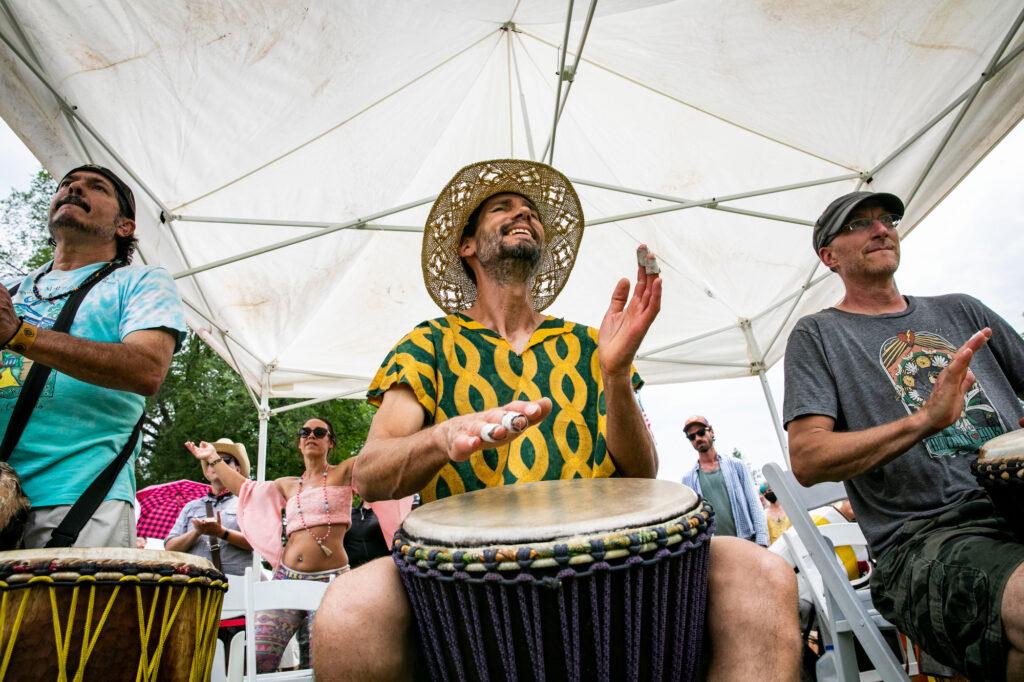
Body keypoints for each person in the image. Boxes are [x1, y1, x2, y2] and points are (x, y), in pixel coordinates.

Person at [313, 159, 800, 681]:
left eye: (530, 212)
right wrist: (441, 435)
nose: (522, 213)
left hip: (615, 570)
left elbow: (641, 474)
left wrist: (615, 375)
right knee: (345, 612)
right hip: (467, 586)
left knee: (764, 573)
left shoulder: (591, 343)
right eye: (502, 208)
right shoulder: (429, 345)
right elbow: (370, 473)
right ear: (468, 246)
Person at [783, 190, 1024, 680]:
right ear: (829, 256)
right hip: (925, 538)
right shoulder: (818, 335)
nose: (880, 229)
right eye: (858, 224)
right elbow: (807, 459)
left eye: (887, 218)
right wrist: (924, 421)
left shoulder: (962, 310)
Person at [0, 164, 186, 548]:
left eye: (95, 187)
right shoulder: (11, 291)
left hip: (78, 498)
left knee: (68, 612)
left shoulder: (142, 281)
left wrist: (20, 334)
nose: (74, 189)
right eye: (67, 184)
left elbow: (147, 369)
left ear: (125, 226)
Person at [186, 418, 354, 672]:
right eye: (304, 432)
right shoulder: (287, 484)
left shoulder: (344, 472)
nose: (311, 435)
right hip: (286, 577)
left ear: (330, 442)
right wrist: (214, 459)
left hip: (331, 580)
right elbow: (246, 489)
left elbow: (378, 463)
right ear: (299, 443)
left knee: (322, 662)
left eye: (319, 432)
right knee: (258, 657)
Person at [165, 438, 254, 576]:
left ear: (238, 468)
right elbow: (170, 548)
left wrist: (221, 532)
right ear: (207, 471)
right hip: (196, 585)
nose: (216, 463)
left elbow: (257, 543)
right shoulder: (191, 507)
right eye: (210, 461)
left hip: (237, 586)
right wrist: (197, 531)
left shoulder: (249, 501)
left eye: (225, 460)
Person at [681, 415, 769, 546]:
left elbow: (754, 504)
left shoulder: (737, 466)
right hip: (716, 550)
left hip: (747, 542)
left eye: (700, 432)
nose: (697, 438)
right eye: (692, 437)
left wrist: (762, 542)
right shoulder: (688, 480)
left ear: (711, 431)